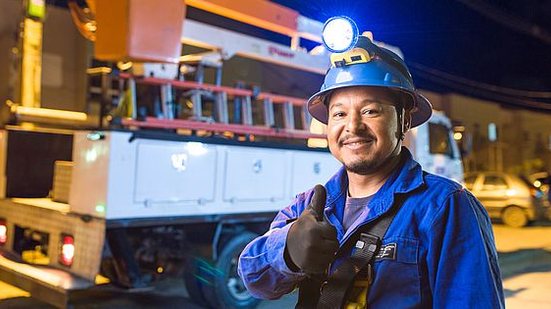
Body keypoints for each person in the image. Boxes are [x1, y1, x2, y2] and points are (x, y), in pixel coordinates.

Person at [238, 27, 505, 308]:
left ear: (403, 122)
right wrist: (288, 250)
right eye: (339, 113)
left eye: (370, 111)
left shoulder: (444, 207)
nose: (352, 126)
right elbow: (253, 279)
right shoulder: (310, 206)